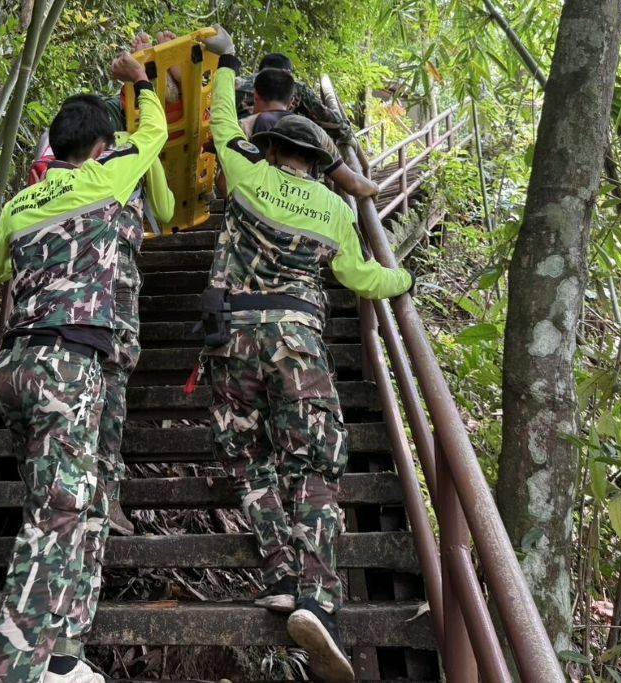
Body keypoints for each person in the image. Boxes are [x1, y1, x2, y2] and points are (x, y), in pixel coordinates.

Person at [200, 27, 413, 683]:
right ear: (316, 161)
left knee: (249, 453)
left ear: (270, 148)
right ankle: (318, 594)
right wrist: (403, 280)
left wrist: (226, 61)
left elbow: (218, 117)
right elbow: (360, 279)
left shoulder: (243, 170)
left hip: (231, 339)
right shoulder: (332, 205)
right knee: (316, 460)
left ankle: (279, 571)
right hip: (297, 340)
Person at [0, 50, 167, 683]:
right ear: (100, 146)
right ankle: (14, 669)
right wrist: (138, 81)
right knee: (55, 520)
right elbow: (156, 135)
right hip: (68, 367)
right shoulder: (104, 179)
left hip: (14, 366)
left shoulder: (19, 203)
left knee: (77, 510)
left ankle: (63, 657)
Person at [240, 68, 378, 199]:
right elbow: (353, 184)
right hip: (303, 212)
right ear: (292, 101)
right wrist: (374, 187)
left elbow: (223, 182)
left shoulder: (243, 126)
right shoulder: (314, 132)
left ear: (256, 95)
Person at [235, 52, 356, 149]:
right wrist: (346, 131)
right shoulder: (295, 86)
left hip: (237, 141)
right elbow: (323, 115)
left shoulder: (236, 83)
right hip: (279, 147)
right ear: (287, 73)